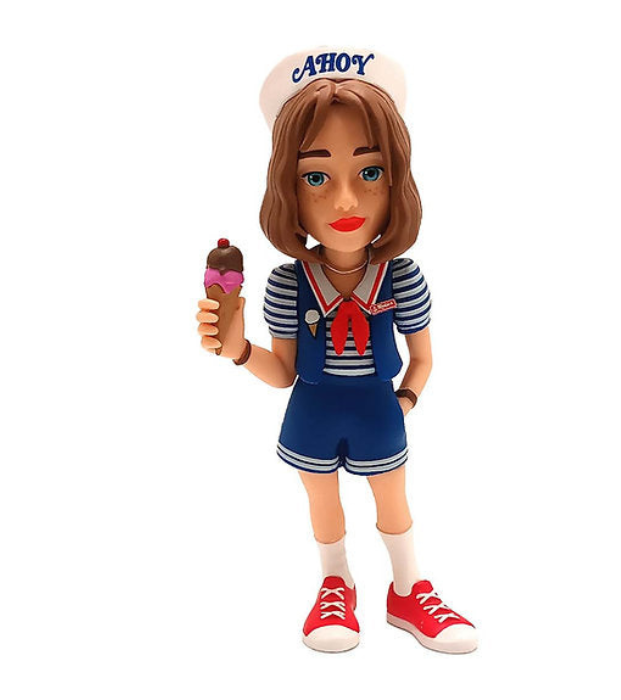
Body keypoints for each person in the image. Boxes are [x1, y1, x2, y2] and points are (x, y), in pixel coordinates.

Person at [196, 48, 477, 654]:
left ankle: (409, 588)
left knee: (393, 500)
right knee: (322, 501)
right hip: (313, 409)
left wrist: (404, 401)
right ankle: (335, 583)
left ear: (398, 181)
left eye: (370, 172)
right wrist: (238, 349)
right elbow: (283, 372)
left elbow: (423, 357)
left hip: (378, 407)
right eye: (316, 177)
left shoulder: (402, 278)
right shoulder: (287, 284)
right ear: (287, 192)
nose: (346, 201)